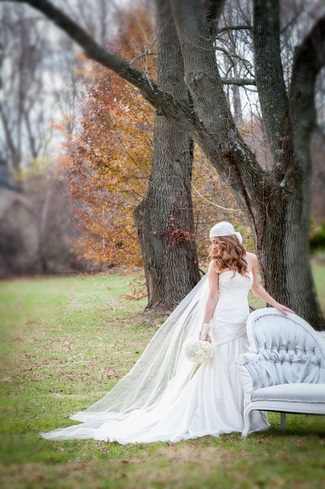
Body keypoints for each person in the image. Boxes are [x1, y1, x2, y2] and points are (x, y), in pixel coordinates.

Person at [41, 221, 293, 444]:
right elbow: (212, 297)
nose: (214, 246)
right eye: (212, 242)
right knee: (222, 363)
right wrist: (204, 329)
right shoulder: (215, 264)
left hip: (242, 319)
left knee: (242, 361)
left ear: (229, 241)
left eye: (217, 242)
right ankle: (221, 413)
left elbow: (256, 288)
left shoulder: (251, 259)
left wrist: (275, 304)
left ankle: (245, 411)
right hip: (223, 320)